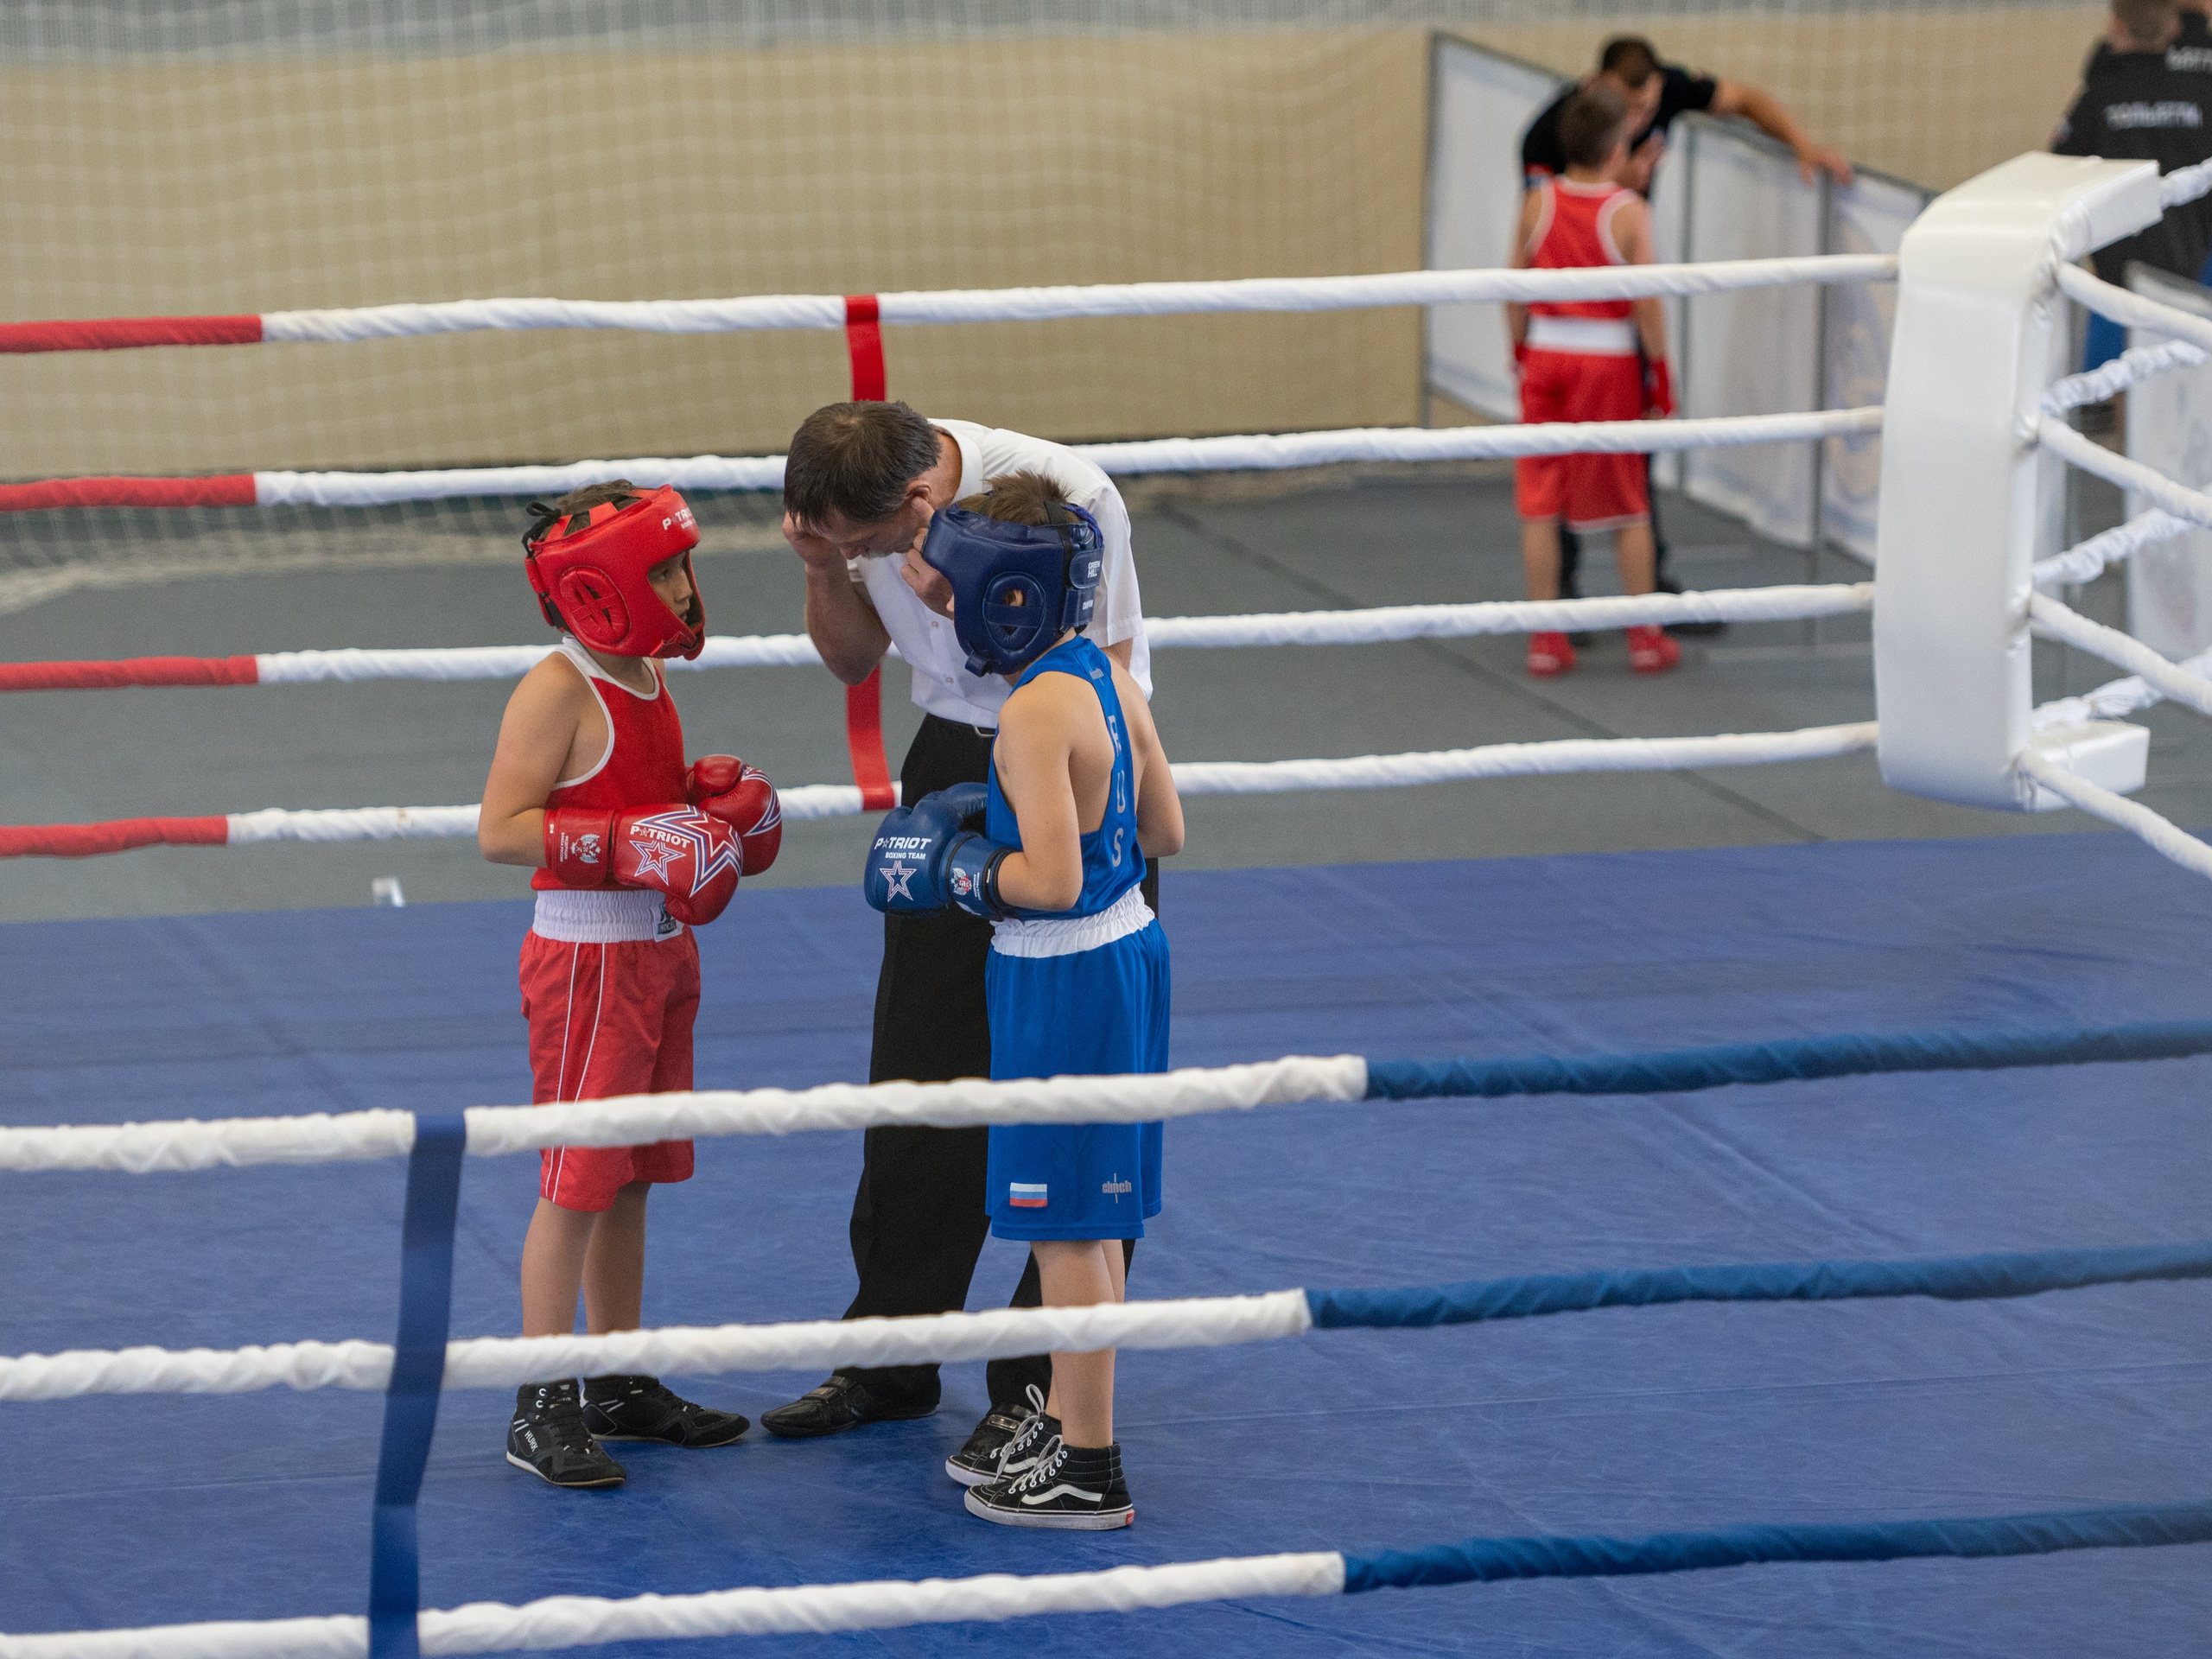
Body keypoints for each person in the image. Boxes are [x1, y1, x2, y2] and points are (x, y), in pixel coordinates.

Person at [766, 402, 1155, 1483]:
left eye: (871, 542)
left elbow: (1111, 676)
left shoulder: (1067, 492)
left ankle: (1042, 1391)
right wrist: (824, 572)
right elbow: (853, 667)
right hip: (949, 759)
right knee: (920, 1079)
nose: (862, 558)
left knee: (1075, 1097)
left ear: (924, 503)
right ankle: (888, 1359)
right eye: (836, 541)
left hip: (1071, 751)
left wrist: (1046, 833)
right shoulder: (854, 531)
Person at [862, 470, 1182, 1528]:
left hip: (1062, 970)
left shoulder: (1033, 715)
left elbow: (1041, 882)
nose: (944, 618)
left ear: (1009, 597)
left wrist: (961, 868)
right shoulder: (1106, 673)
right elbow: (1163, 835)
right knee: (1094, 1221)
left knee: (1065, 1230)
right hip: (1130, 951)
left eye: (955, 596)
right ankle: (1068, 1420)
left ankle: (1088, 1464)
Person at [478, 480, 782, 1488]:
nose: (682, 588)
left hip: (657, 953)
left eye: (680, 566)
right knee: (573, 1182)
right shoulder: (556, 687)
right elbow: (502, 830)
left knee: (633, 1175)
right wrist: (624, 838)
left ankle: (613, 1378)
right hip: (587, 963)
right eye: (659, 571)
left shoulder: (647, 672)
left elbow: (646, 822)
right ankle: (540, 1400)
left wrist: (706, 810)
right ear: (597, 590)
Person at [1522, 37, 1852, 637]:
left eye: (1650, 109)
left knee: (1625, 466)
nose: (1643, 120)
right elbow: (1551, 221)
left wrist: (1803, 145)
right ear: (1597, 89)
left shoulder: (1667, 91)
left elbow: (1746, 97)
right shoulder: (1549, 135)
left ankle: (1644, 600)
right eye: (1632, 111)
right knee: (1564, 472)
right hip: (1578, 318)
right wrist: (1622, 183)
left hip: (1593, 332)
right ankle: (1565, 602)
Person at [1510, 85, 1680, 681]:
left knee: (1540, 503)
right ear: (1617, 150)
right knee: (1628, 501)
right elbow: (1648, 304)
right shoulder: (1629, 212)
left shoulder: (1538, 202)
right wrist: (1661, 377)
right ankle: (1644, 636)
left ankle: (1545, 639)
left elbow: (1515, 286)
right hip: (1605, 365)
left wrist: (1519, 353)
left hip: (1546, 356)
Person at [2055, 0, 2212, 372]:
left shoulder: (2098, 97)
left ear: (2116, 25)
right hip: (2192, 249)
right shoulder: (2201, 96)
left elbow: (2061, 161)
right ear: (2171, 29)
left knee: (2121, 365)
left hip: (2120, 257)